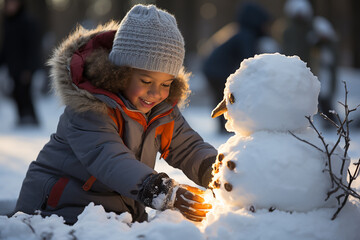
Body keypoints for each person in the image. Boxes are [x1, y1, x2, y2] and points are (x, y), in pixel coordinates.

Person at [14, 4, 216, 224]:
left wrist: (215, 171)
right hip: (57, 209)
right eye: (146, 81)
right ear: (121, 73)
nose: (156, 93)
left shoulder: (162, 110)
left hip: (115, 211)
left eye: (166, 83)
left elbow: (187, 147)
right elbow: (110, 160)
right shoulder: (89, 108)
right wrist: (159, 190)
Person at [202, 2, 271, 133]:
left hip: (212, 69)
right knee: (227, 98)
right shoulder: (246, 35)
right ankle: (226, 128)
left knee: (223, 97)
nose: (267, 28)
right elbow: (249, 59)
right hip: (216, 70)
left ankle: (223, 128)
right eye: (264, 24)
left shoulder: (239, 31)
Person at [0, 0, 41, 126]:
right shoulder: (8, 22)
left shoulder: (27, 21)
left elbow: (33, 47)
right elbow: (7, 47)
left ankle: (31, 118)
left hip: (25, 67)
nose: (10, 7)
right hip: (13, 67)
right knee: (16, 92)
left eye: (13, 4)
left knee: (25, 93)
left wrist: (29, 68)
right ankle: (21, 117)